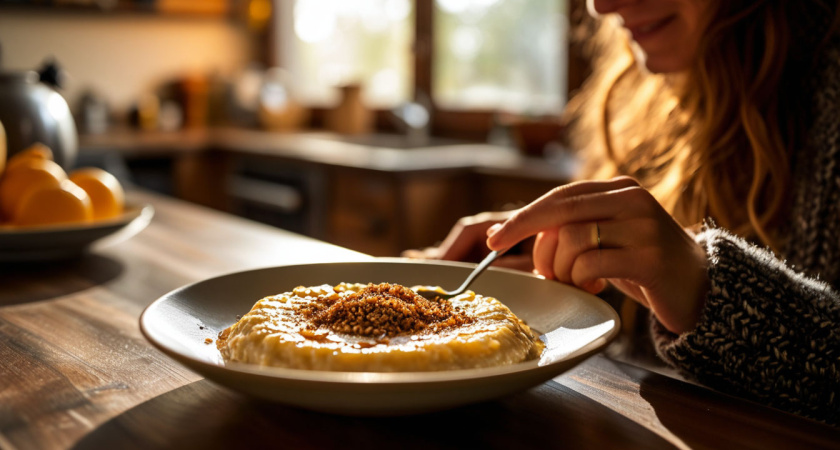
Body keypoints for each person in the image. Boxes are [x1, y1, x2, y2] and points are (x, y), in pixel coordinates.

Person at [405, 0, 840, 425]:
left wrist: (709, 292)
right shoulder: (636, 87)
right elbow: (646, 340)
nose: (602, 6)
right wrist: (578, 262)